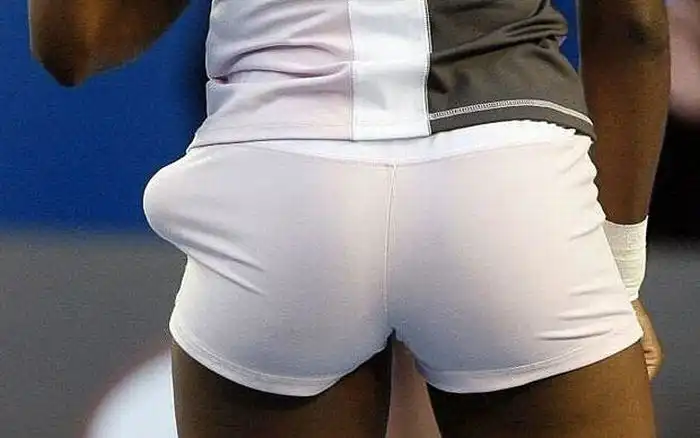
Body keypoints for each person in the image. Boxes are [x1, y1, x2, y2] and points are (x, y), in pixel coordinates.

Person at [30, 0, 669, 437]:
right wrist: (619, 273)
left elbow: (70, 41)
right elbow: (635, 26)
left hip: (284, 189)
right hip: (506, 180)